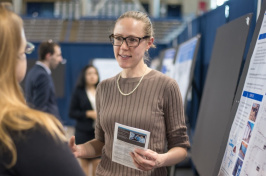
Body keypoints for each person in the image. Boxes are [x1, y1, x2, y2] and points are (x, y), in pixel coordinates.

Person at [69, 11, 190, 175]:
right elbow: (101, 141)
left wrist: (160, 160)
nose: (123, 47)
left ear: (149, 43)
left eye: (132, 40)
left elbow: (180, 147)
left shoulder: (166, 86)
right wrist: (80, 150)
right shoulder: (104, 88)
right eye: (118, 38)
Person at [0, 4, 85, 176]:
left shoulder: (34, 73)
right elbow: (40, 106)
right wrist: (48, 142)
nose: (60, 59)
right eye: (24, 50)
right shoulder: (26, 131)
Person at [69, 65, 100, 176]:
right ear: (84, 76)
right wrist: (88, 113)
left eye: (95, 73)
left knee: (97, 165)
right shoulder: (79, 92)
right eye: (89, 73)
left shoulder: (102, 90)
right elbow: (71, 112)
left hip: (98, 133)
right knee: (85, 167)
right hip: (83, 132)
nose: (92, 76)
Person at [24, 39, 63, 121]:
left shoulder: (34, 71)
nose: (60, 59)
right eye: (58, 55)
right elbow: (39, 109)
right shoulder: (42, 76)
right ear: (48, 56)